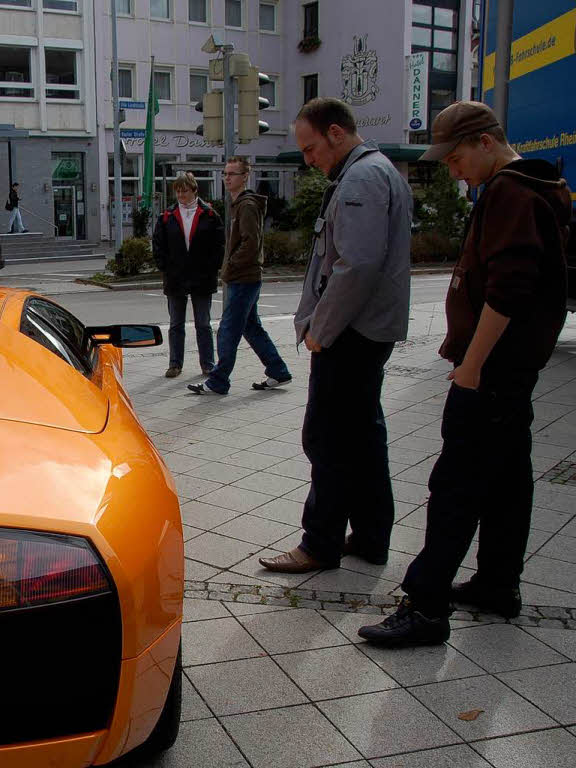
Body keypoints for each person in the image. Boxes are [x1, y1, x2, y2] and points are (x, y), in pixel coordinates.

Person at [360, 101, 572, 646]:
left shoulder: (508, 192)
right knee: (506, 482)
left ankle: (426, 607)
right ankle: (499, 585)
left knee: (455, 485)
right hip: (514, 371)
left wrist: (472, 365)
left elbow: (509, 288)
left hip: (493, 371)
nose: (453, 171)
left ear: (484, 142)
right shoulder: (537, 187)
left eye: (455, 159)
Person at [259, 97, 412, 574]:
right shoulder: (377, 171)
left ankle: (319, 543)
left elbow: (356, 264)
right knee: (363, 436)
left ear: (336, 134)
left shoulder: (362, 178)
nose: (308, 160)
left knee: (327, 439)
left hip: (351, 333)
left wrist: (321, 332)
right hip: (364, 331)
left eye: (310, 149)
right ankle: (370, 536)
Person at [188, 157, 292, 395]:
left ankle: (218, 381)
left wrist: (231, 266)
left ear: (245, 176)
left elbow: (250, 244)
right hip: (245, 275)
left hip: (243, 277)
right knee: (250, 327)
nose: (227, 178)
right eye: (225, 173)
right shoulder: (240, 204)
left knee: (228, 329)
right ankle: (278, 370)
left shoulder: (246, 205)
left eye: (232, 174)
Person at [152, 172, 225, 378]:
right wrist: (165, 267)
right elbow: (158, 245)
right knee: (176, 324)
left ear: (194, 190)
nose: (181, 194)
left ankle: (208, 364)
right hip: (175, 278)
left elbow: (218, 245)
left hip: (202, 277)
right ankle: (175, 364)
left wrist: (211, 268)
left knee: (203, 323)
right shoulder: (166, 216)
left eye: (184, 190)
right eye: (177, 190)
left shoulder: (209, 215)